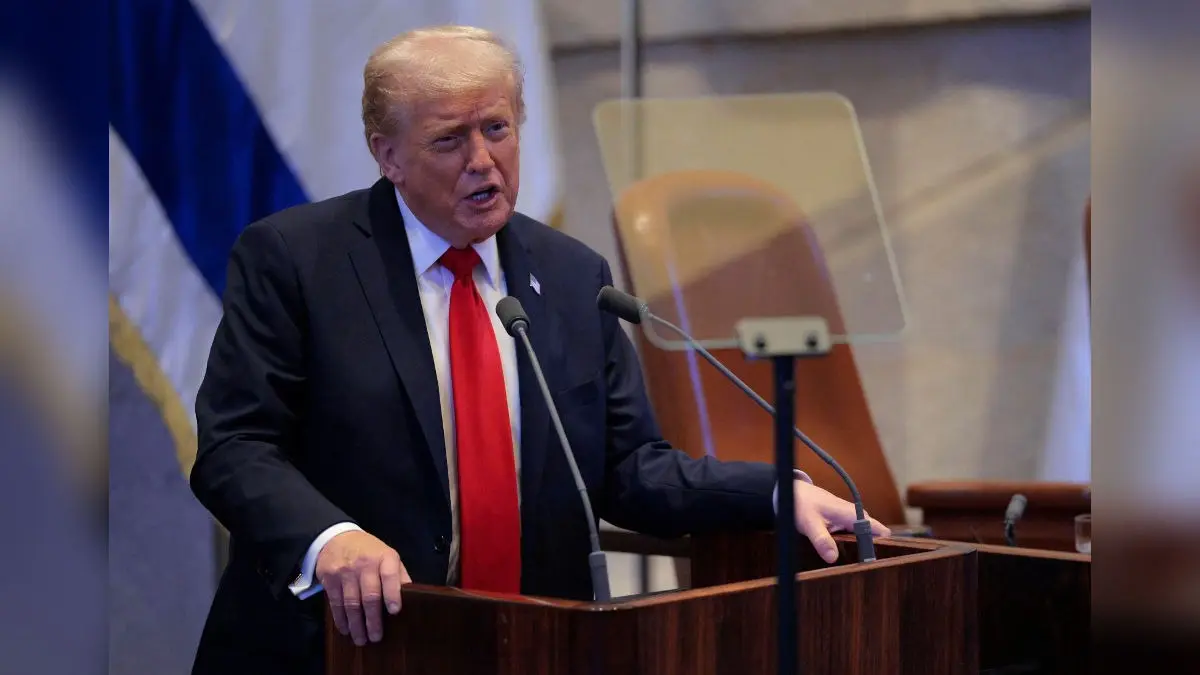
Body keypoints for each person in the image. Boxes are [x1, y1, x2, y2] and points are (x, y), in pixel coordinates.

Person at [188, 25, 890, 675]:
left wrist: (772, 487)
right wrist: (328, 537)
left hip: (529, 645)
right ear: (387, 153)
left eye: (497, 128)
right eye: (448, 140)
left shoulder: (570, 275)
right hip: (343, 646)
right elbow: (234, 446)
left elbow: (630, 467)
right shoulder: (296, 259)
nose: (482, 160)